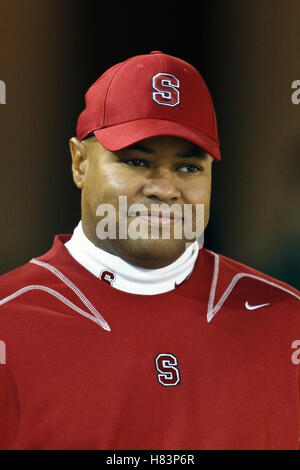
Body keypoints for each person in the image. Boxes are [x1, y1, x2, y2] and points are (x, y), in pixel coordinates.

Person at [0, 51, 299, 450]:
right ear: (79, 163)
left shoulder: (288, 322)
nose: (163, 188)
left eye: (189, 168)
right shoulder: (9, 321)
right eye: (136, 161)